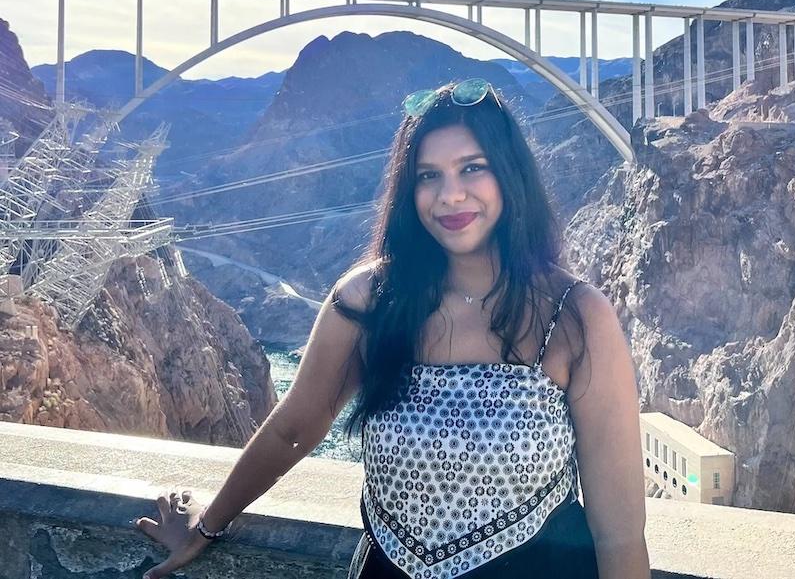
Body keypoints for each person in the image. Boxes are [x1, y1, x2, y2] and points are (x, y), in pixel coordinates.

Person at [133, 77, 650, 579]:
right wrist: (209, 525)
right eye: (428, 175)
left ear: (510, 175)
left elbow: (619, 531)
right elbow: (296, 427)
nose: (450, 195)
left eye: (473, 168)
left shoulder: (575, 316)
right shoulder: (368, 302)